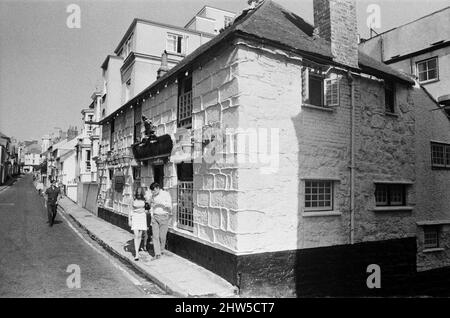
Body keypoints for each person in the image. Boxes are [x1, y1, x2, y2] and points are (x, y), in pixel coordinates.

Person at [148, 182, 172, 260]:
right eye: (152, 191)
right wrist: (151, 210)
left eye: (154, 190)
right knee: (155, 236)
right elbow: (151, 205)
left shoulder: (165, 194)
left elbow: (169, 205)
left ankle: (162, 249)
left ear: (158, 188)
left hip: (164, 216)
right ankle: (157, 253)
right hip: (155, 217)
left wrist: (160, 203)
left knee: (162, 236)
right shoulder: (152, 196)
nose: (153, 192)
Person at [129, 187, 148, 261]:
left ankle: (137, 252)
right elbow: (130, 209)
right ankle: (136, 253)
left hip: (142, 217)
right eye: (138, 192)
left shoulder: (144, 199)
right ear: (136, 192)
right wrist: (129, 220)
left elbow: (148, 206)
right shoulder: (133, 199)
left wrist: (146, 210)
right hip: (135, 216)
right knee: (136, 235)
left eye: (140, 192)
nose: (139, 193)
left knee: (140, 235)